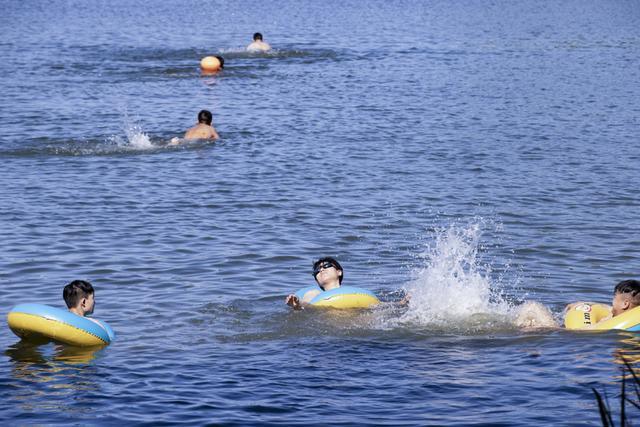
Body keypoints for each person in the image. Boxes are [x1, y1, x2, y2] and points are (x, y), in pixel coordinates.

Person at [565, 279, 640, 326]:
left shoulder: (608, 323)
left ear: (625, 304)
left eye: (614, 297)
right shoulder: (634, 317)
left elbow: (580, 332)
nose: (612, 301)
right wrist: (583, 304)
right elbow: (606, 307)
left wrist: (553, 326)